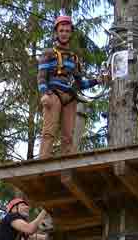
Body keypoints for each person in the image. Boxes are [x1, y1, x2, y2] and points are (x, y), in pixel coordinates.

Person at [36, 14, 104, 158]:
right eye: (61, 31)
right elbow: (41, 77)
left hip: (69, 97)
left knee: (68, 135)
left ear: (70, 33)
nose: (64, 34)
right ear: (56, 32)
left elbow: (81, 84)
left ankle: (67, 162)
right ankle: (43, 161)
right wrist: (44, 94)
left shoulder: (73, 58)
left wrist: (97, 80)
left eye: (67, 31)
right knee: (49, 131)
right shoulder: (48, 54)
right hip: (52, 94)